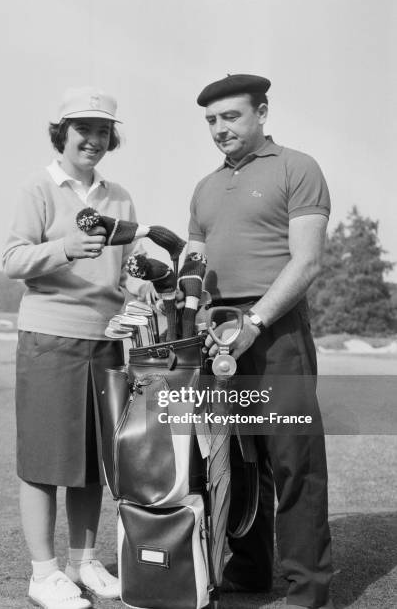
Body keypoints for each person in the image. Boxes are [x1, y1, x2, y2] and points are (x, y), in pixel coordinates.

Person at [187, 74, 334, 609]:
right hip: (216, 331)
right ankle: (250, 574)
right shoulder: (204, 187)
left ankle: (308, 590)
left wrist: (254, 324)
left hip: (274, 329)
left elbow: (308, 259)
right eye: (210, 121)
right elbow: (195, 265)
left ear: (262, 112)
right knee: (235, 459)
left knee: (293, 459)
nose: (219, 129)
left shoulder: (298, 167)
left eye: (230, 117)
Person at [2, 87, 136, 609]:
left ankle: (85, 563)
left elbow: (123, 273)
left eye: (103, 131)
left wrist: (139, 285)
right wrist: (63, 249)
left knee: (92, 461)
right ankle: (44, 574)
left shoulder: (119, 196)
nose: (94, 140)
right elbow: (13, 258)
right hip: (49, 338)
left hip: (104, 342)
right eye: (84, 130)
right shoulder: (38, 187)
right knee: (43, 461)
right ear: (62, 134)